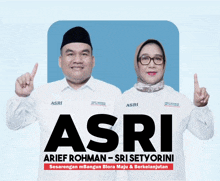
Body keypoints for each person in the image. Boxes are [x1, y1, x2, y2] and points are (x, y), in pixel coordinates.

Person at [6, 26, 121, 181]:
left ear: (93, 61)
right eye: (70, 54)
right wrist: (20, 96)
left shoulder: (112, 93)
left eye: (84, 54)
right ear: (60, 61)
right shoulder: (43, 94)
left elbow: (125, 147)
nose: (77, 60)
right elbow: (14, 124)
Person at [113, 39, 213, 180]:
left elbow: (205, 134)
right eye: (145, 58)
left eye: (158, 59)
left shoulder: (179, 100)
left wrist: (201, 107)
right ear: (137, 64)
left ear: (164, 64)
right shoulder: (123, 101)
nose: (152, 64)